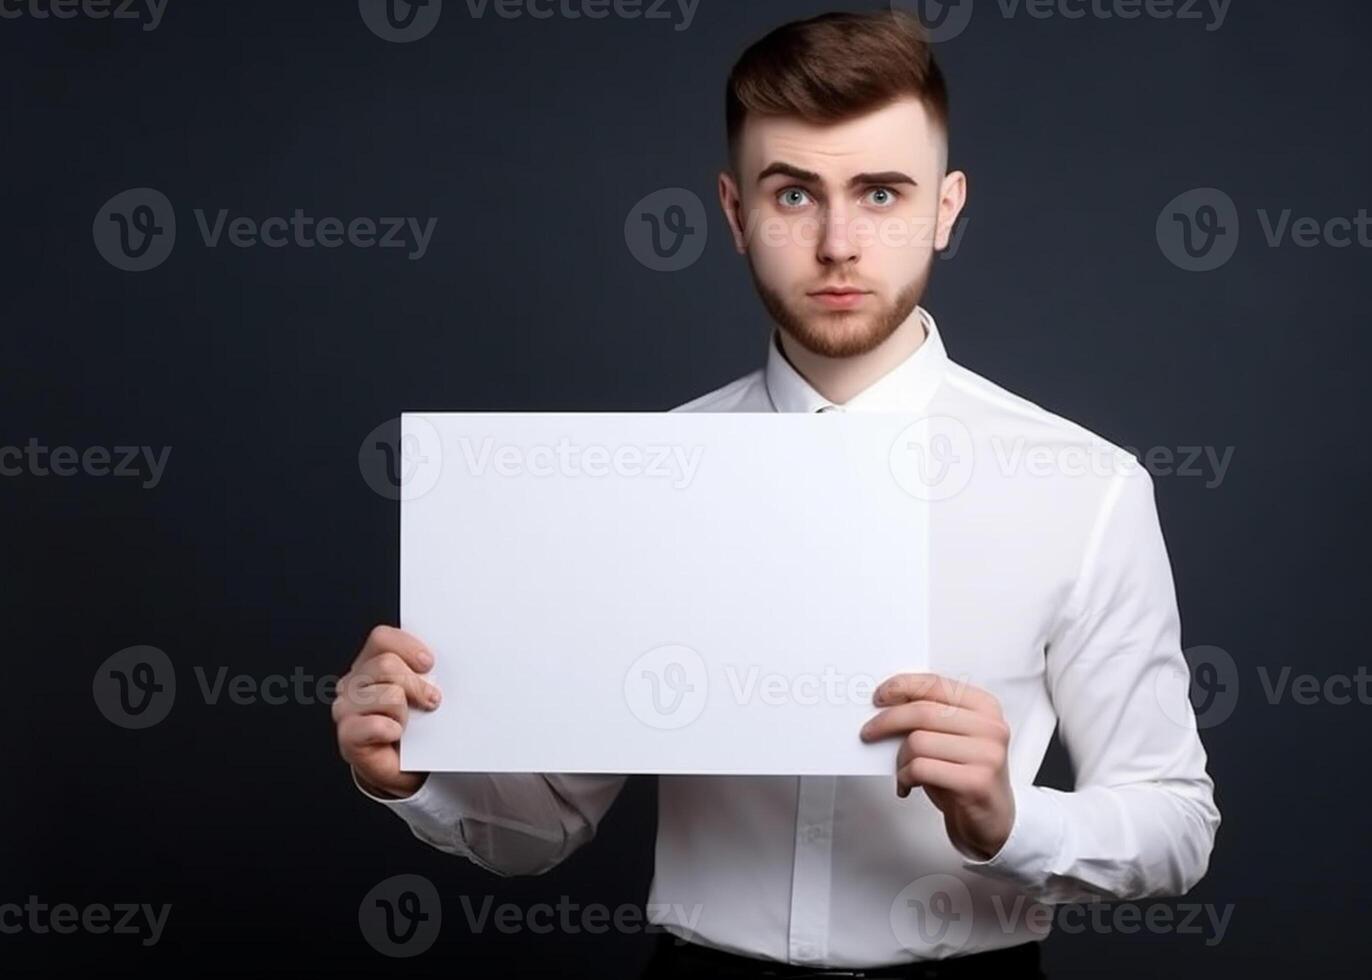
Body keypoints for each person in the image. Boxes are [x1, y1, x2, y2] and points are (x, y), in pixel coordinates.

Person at [333, 10, 1220, 978]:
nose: (839, 242)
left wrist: (1014, 817)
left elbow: (1176, 820)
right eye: (795, 192)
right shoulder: (644, 480)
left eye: (881, 192)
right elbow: (549, 819)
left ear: (947, 207)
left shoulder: (1084, 487)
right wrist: (417, 771)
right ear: (734, 210)